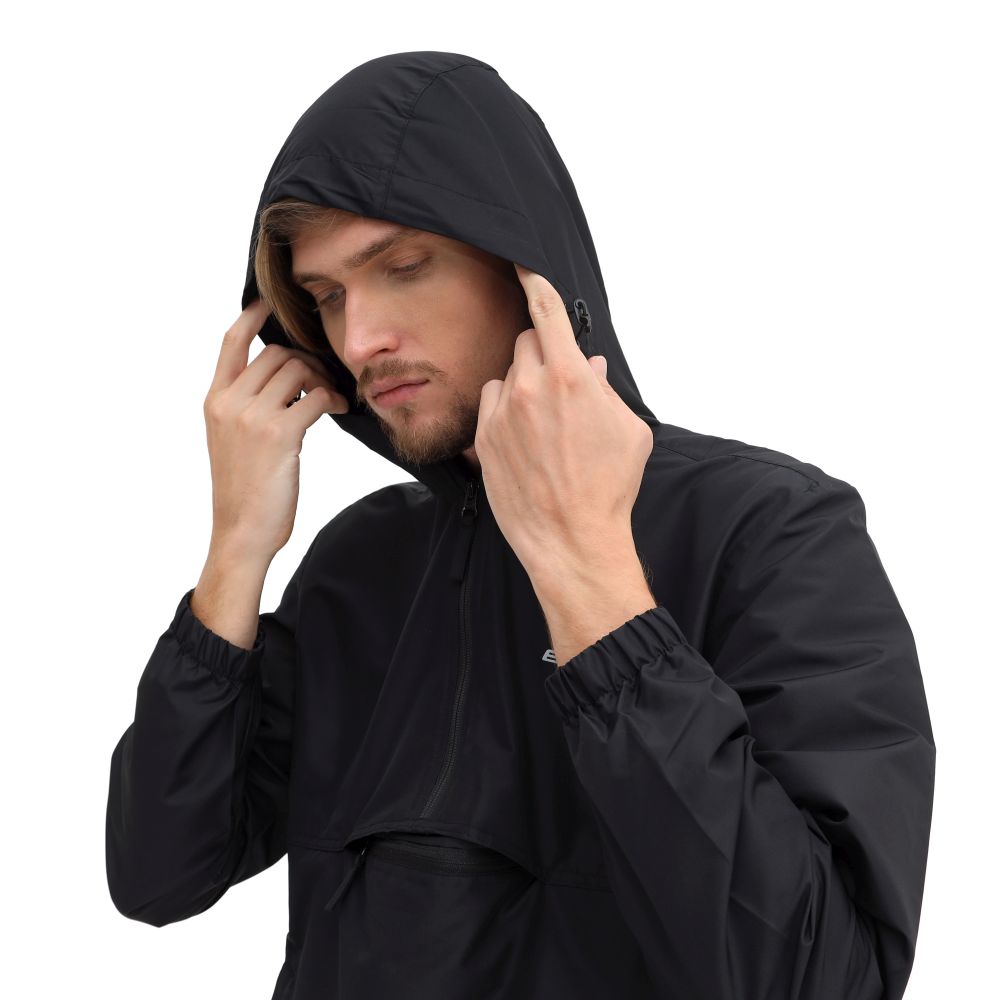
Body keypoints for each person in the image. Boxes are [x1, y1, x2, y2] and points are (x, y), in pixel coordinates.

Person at [105, 51, 936, 1000]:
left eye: (404, 267)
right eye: (327, 297)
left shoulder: (772, 532)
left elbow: (821, 981)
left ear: (526, 269)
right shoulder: (358, 562)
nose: (360, 338)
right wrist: (235, 551)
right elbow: (158, 874)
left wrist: (595, 581)